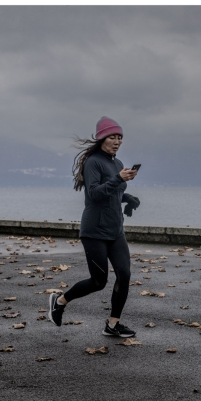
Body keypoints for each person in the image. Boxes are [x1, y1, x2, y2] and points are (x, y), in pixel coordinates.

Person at [48, 116, 140, 337]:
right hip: (94, 231)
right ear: (101, 139)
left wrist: (128, 198)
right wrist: (118, 179)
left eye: (120, 137)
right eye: (112, 137)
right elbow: (95, 193)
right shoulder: (94, 162)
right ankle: (60, 301)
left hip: (115, 230)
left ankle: (113, 324)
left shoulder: (117, 163)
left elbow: (113, 193)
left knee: (124, 275)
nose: (117, 141)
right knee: (98, 281)